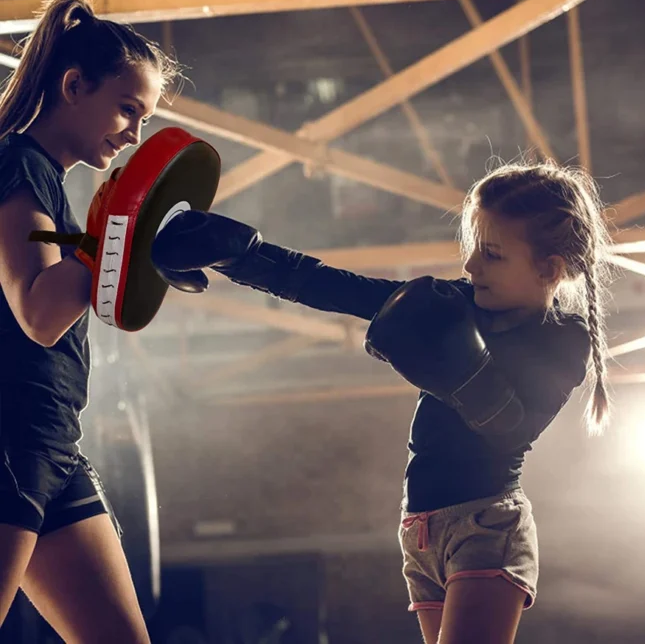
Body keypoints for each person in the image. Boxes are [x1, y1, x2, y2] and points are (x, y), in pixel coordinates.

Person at [151, 161, 612, 644]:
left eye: (492, 254)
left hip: (487, 526)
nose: (472, 265)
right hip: (420, 530)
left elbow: (514, 428)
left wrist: (456, 370)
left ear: (550, 269)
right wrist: (243, 257)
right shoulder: (454, 302)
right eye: (472, 248)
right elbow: (341, 288)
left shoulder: (562, 338)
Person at [0, 0, 178, 642]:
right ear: (74, 87)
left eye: (145, 119)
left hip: (51, 443)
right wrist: (125, 232)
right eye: (127, 109)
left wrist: (135, 248)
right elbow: (38, 313)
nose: (134, 135)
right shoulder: (18, 165)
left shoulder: (53, 190)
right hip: (10, 437)